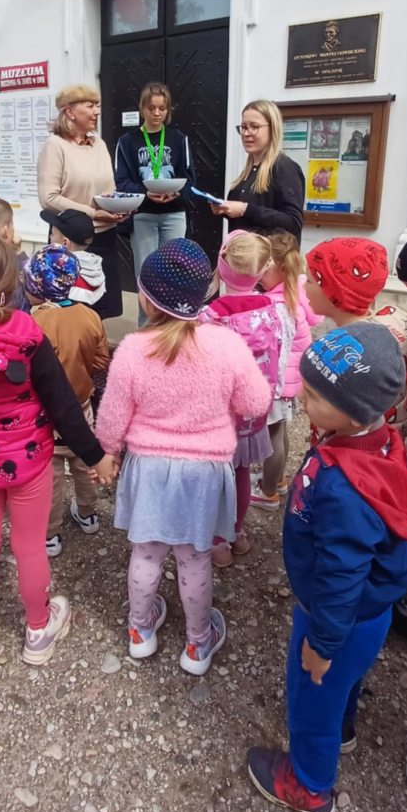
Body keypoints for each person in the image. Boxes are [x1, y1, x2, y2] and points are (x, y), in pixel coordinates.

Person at [247, 323, 407, 812]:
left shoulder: (345, 490)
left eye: (315, 396)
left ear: (356, 411)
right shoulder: (381, 443)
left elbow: (342, 579)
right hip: (368, 614)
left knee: (310, 703)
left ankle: (308, 787)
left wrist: (321, 645)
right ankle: (343, 726)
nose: (301, 398)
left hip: (334, 619)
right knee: (340, 689)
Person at [0, 234, 117, 674]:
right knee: (29, 547)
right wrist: (95, 456)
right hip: (30, 462)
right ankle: (38, 629)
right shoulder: (27, 333)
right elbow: (63, 405)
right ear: (12, 284)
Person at [95, 238, 271, 675]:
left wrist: (108, 451)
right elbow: (255, 401)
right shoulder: (226, 345)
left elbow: (112, 416)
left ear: (146, 298)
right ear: (204, 294)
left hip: (149, 467)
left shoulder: (133, 349)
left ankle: (140, 631)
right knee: (195, 558)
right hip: (204, 473)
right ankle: (197, 644)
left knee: (146, 553)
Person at [23, 244, 110, 557]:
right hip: (82, 406)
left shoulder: (30, 322)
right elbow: (101, 361)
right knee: (85, 463)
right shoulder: (89, 316)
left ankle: (49, 533)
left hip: (43, 413)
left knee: (50, 474)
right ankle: (88, 514)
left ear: (36, 287)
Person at [198, 230, 280, 561]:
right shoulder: (270, 308)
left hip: (220, 416)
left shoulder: (213, 315)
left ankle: (218, 541)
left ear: (222, 265)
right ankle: (238, 532)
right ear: (261, 271)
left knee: (216, 478)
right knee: (242, 472)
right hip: (254, 409)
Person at [305, 237, 407, 451]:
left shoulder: (342, 353)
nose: (302, 286)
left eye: (309, 281)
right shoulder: (395, 319)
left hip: (360, 457)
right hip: (399, 449)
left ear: (335, 292)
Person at [37, 86, 124, 319]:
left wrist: (118, 208)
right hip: (70, 241)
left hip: (105, 235)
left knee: (101, 310)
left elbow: (109, 190)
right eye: (90, 106)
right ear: (70, 111)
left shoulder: (99, 144)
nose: (97, 111)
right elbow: (48, 198)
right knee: (73, 311)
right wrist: (92, 213)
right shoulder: (55, 146)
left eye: (97, 106)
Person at [114, 83, 196, 325]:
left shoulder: (178, 139)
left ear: (168, 109)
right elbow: (121, 182)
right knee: (146, 276)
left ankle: (172, 329)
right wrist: (144, 193)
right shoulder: (127, 141)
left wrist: (177, 194)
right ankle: (145, 330)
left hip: (174, 214)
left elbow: (190, 181)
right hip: (143, 216)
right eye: (151, 108)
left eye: (162, 108)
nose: (157, 113)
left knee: (175, 274)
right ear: (142, 108)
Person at [250, 232, 318, 510]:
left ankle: (268, 493)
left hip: (277, 382)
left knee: (272, 436)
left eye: (264, 267)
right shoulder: (294, 295)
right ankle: (277, 480)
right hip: (290, 380)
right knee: (281, 431)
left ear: (278, 268)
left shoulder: (276, 305)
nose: (258, 273)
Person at [211, 100, 305, 243]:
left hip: (269, 255)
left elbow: (293, 223)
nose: (246, 133)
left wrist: (245, 209)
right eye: (243, 127)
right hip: (244, 253)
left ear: (272, 129)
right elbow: (250, 217)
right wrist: (225, 209)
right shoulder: (250, 170)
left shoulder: (284, 168)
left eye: (254, 127)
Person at [40, 208, 106, 308]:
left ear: (65, 243)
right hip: (91, 317)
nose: (50, 237)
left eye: (52, 234)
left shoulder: (60, 272)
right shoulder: (95, 267)